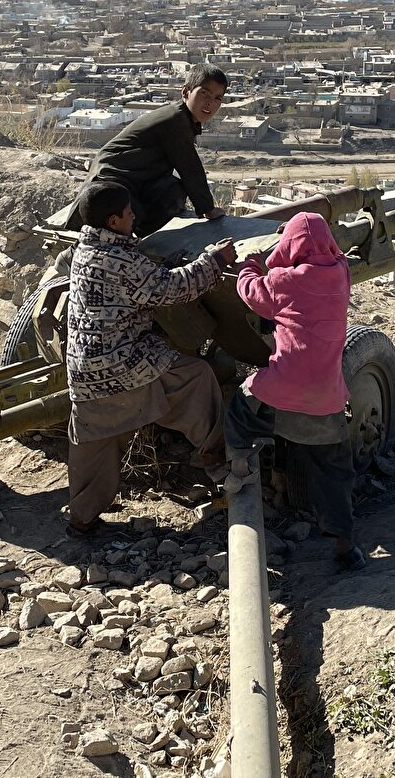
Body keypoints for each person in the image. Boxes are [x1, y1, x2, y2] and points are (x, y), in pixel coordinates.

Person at [65, 181, 236, 535]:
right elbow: (172, 290)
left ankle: (81, 518)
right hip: (124, 364)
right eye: (128, 212)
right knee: (196, 378)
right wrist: (215, 261)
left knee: (92, 443)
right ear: (113, 222)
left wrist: (165, 266)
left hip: (83, 372)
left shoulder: (86, 250)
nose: (134, 216)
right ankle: (220, 463)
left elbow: (139, 281)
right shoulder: (121, 260)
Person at [224, 212, 366, 572]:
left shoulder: (284, 281)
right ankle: (345, 545)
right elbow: (334, 256)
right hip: (326, 400)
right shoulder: (341, 274)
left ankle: (239, 461)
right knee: (334, 473)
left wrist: (250, 265)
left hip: (283, 392)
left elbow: (251, 292)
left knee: (240, 406)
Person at [71, 63, 229, 237]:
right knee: (123, 219)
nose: (210, 103)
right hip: (113, 178)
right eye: (204, 93)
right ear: (185, 92)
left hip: (135, 179)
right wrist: (208, 209)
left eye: (217, 98)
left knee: (172, 192)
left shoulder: (184, 119)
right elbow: (190, 167)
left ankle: (143, 237)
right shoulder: (176, 120)